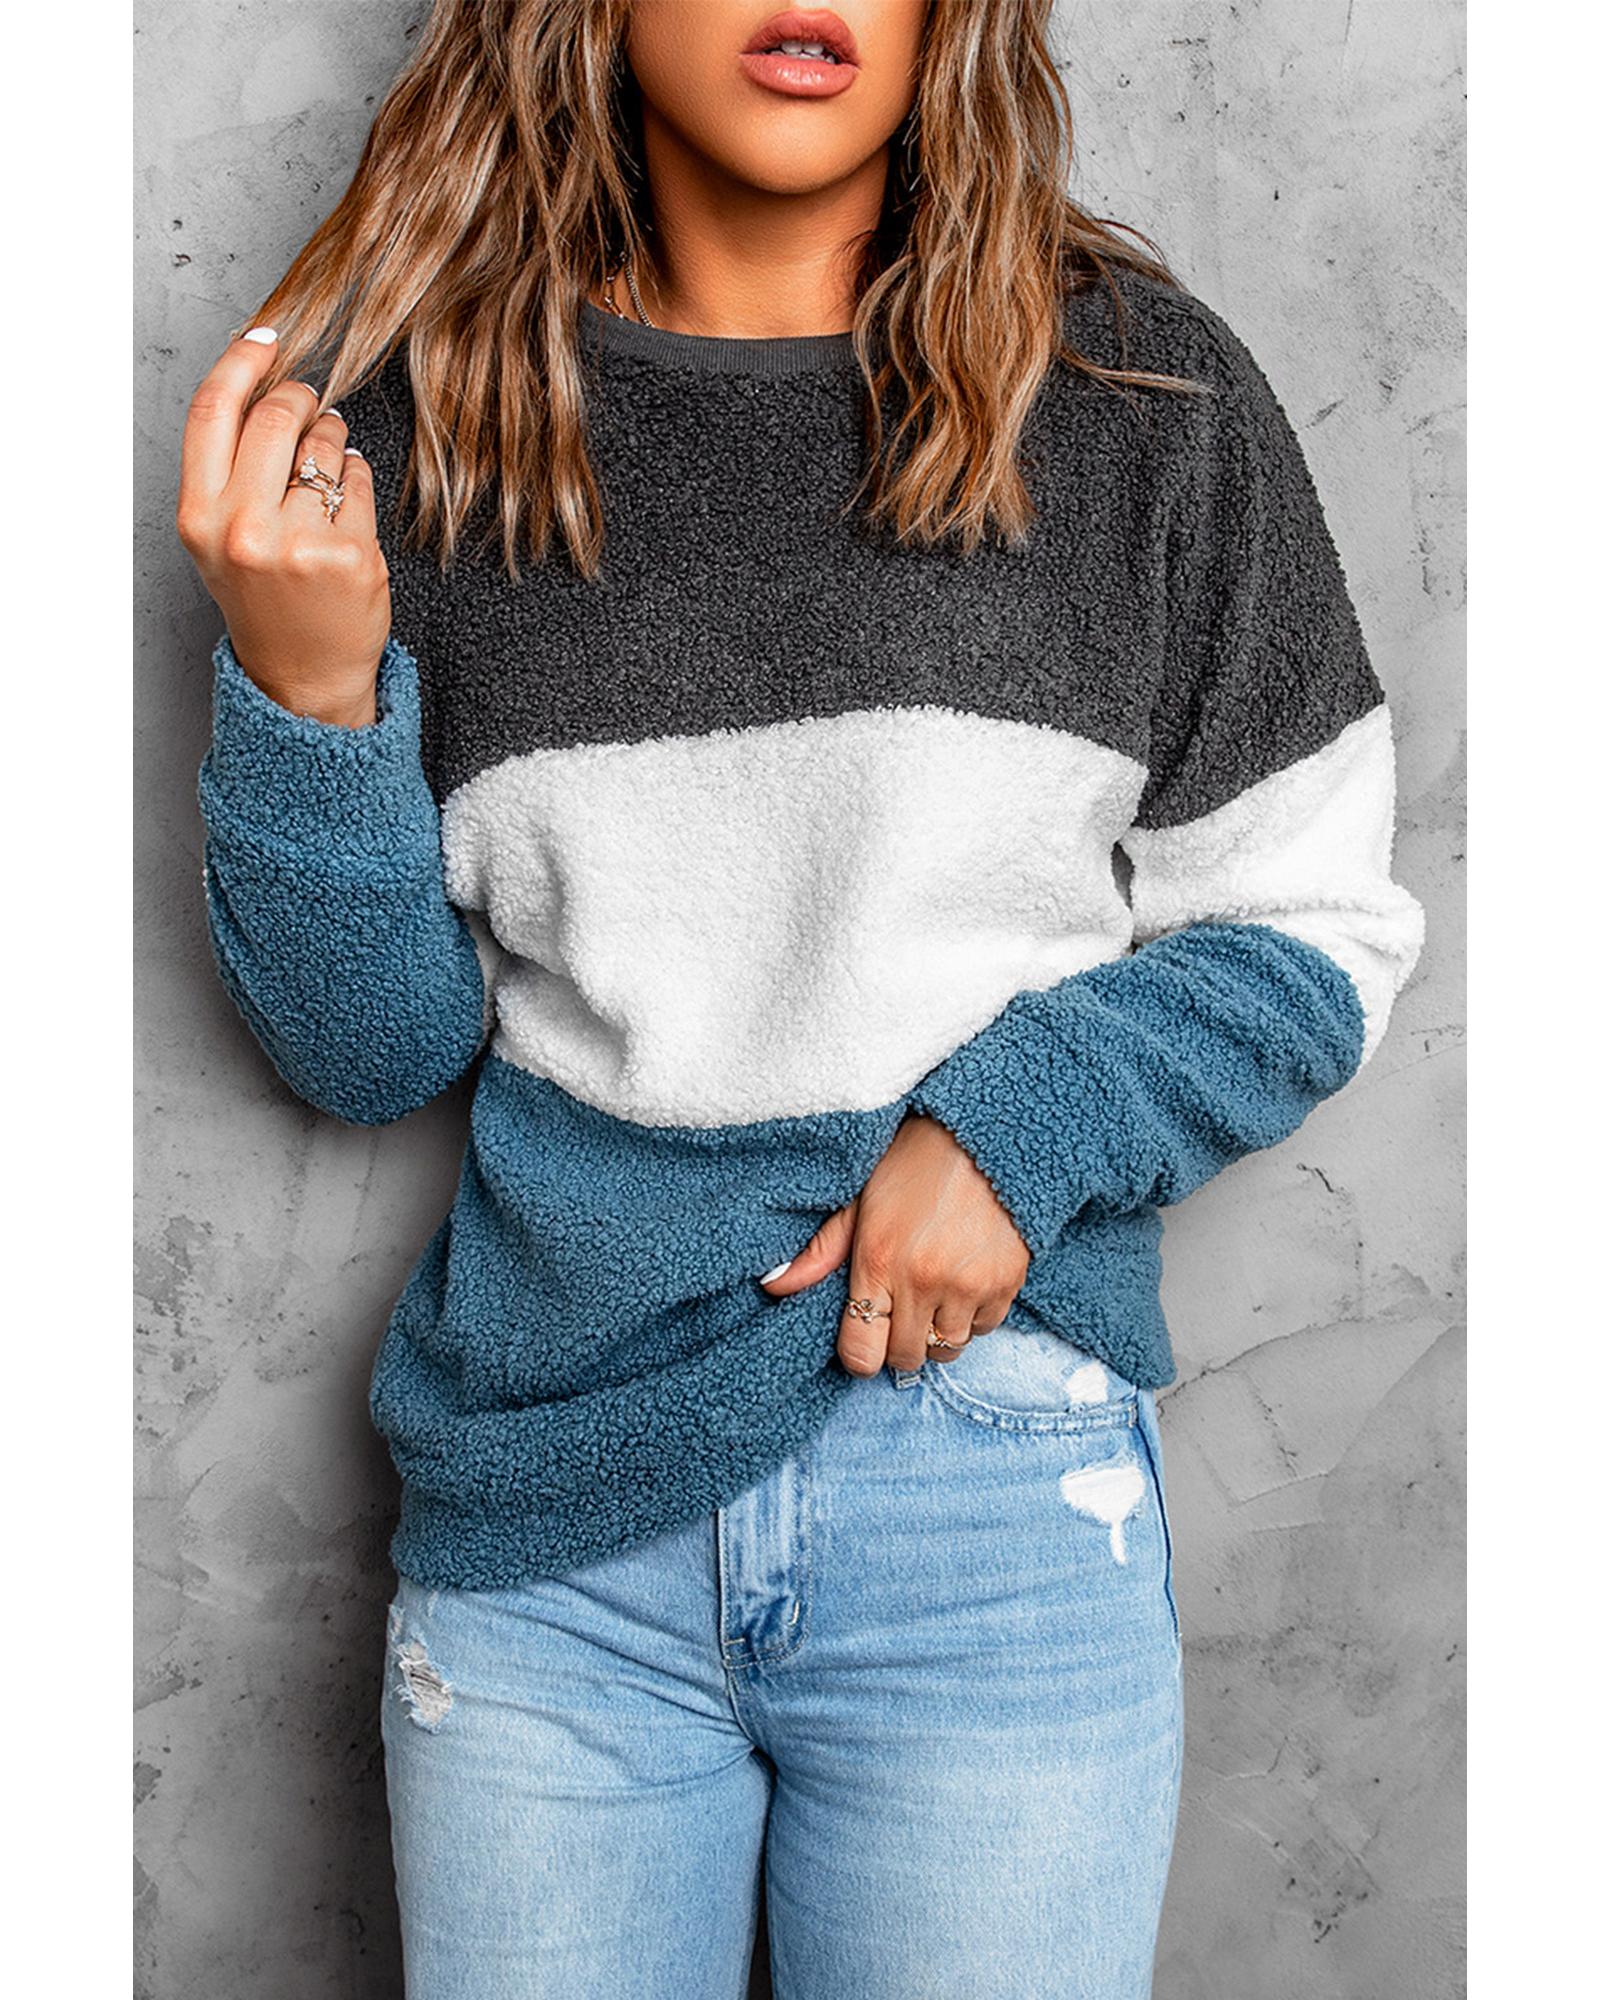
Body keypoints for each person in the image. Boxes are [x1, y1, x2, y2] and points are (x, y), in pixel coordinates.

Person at [175, 3, 1426, 1994]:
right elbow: (368, 1052)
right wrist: (306, 691)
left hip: (989, 1502)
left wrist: (1008, 1139)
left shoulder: (1142, 404)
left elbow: (1312, 921)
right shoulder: (421, 435)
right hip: (544, 1538)